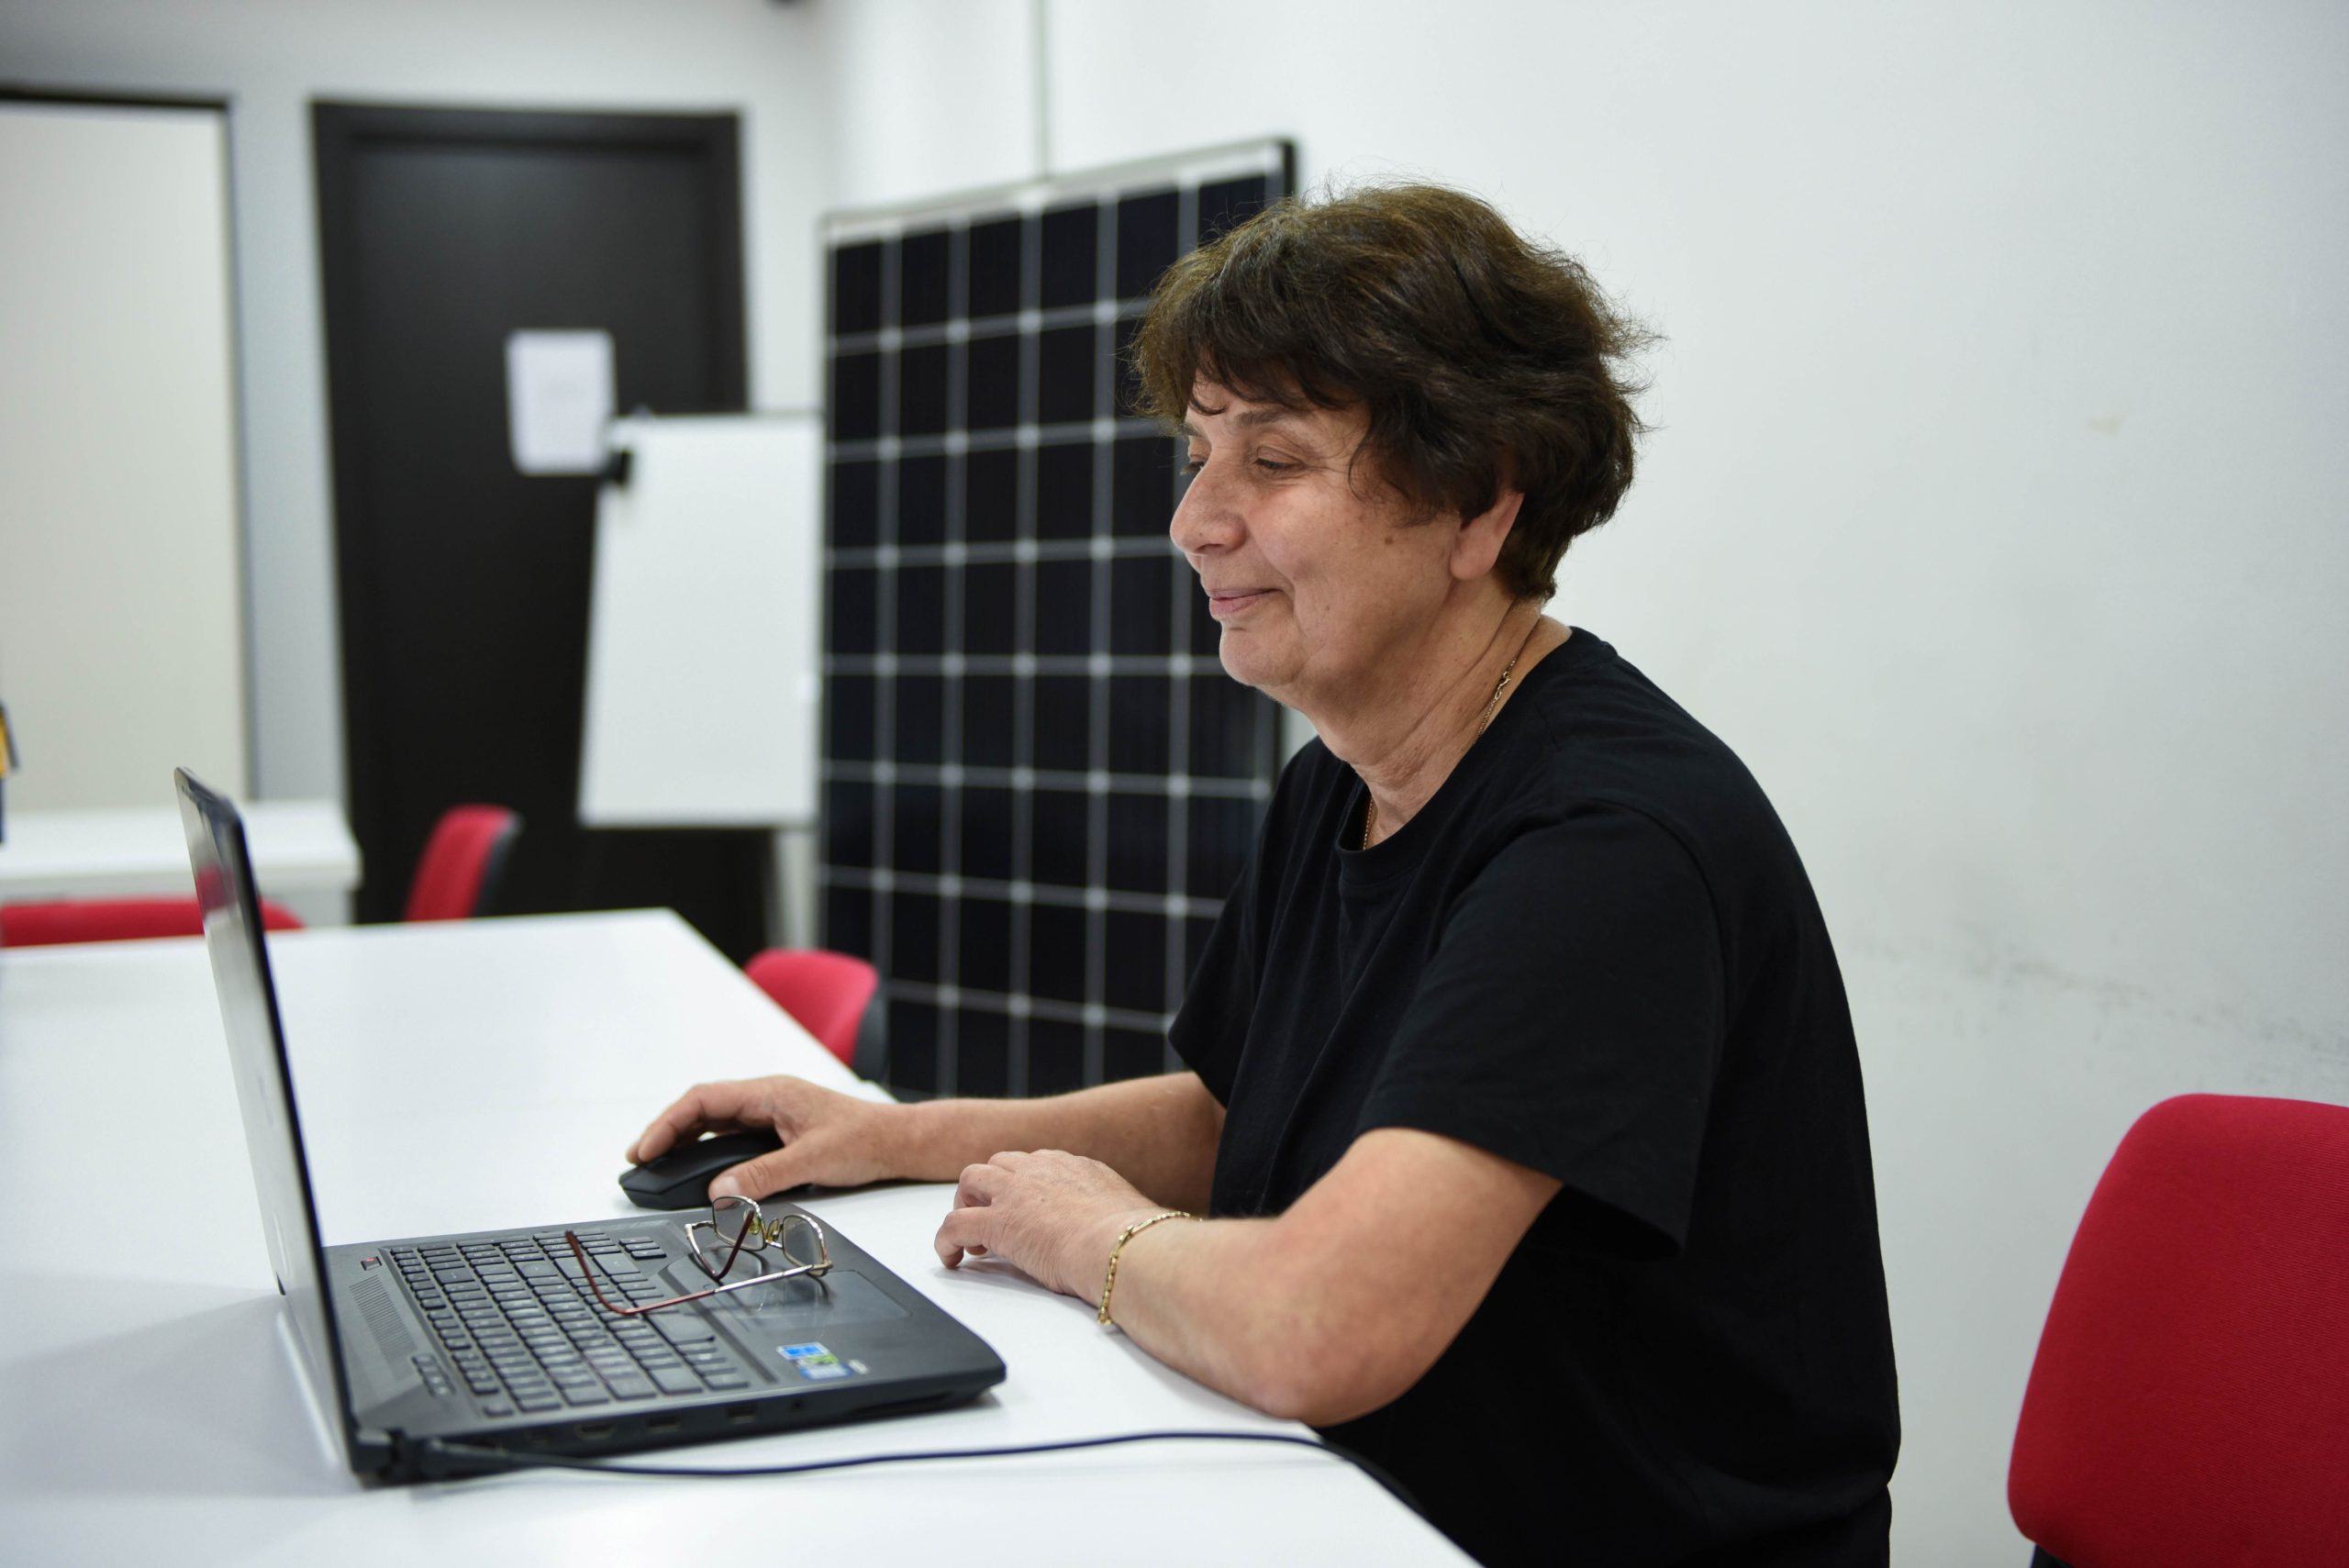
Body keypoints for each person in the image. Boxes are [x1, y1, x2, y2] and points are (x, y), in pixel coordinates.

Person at [629, 183, 1899, 1566]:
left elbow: (1321, 1325)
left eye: (1275, 461)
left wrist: (1093, 1236)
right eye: (1197, 453)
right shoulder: (1345, 779)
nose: (1194, 520)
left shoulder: (1605, 846)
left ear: (1477, 504)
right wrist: (897, 1133)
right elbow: (1242, 1114)